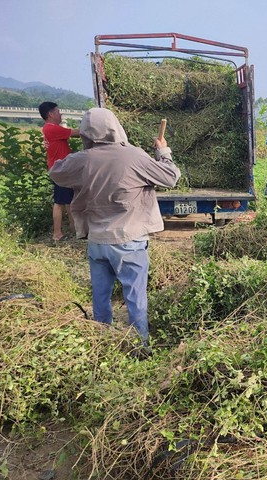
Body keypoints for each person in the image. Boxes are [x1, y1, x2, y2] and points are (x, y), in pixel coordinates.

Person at [49, 108, 181, 347]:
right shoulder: (133, 156)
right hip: (128, 241)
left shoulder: (81, 161)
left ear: (87, 133)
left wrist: (83, 159)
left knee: (100, 297)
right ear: (115, 127)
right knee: (135, 296)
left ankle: (101, 343)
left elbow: (56, 172)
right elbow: (171, 177)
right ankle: (140, 346)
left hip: (97, 242)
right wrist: (163, 151)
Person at [39, 101, 80, 241]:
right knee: (59, 202)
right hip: (60, 170)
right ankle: (57, 234)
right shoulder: (52, 128)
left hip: (61, 169)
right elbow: (77, 133)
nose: (60, 113)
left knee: (68, 199)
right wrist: (94, 127)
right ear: (50, 114)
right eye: (57, 111)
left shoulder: (50, 128)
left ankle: (73, 227)